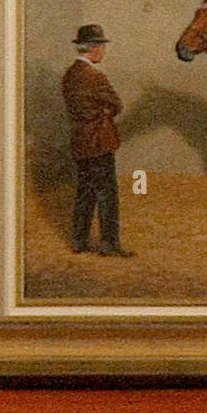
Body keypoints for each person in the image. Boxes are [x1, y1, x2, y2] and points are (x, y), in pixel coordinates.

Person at [61, 24, 133, 257]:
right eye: (101, 46)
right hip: (99, 141)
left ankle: (79, 242)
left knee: (85, 192)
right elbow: (116, 104)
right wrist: (102, 113)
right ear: (93, 49)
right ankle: (109, 244)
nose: (103, 51)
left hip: (80, 141)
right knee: (107, 193)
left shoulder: (69, 75)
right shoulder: (96, 77)